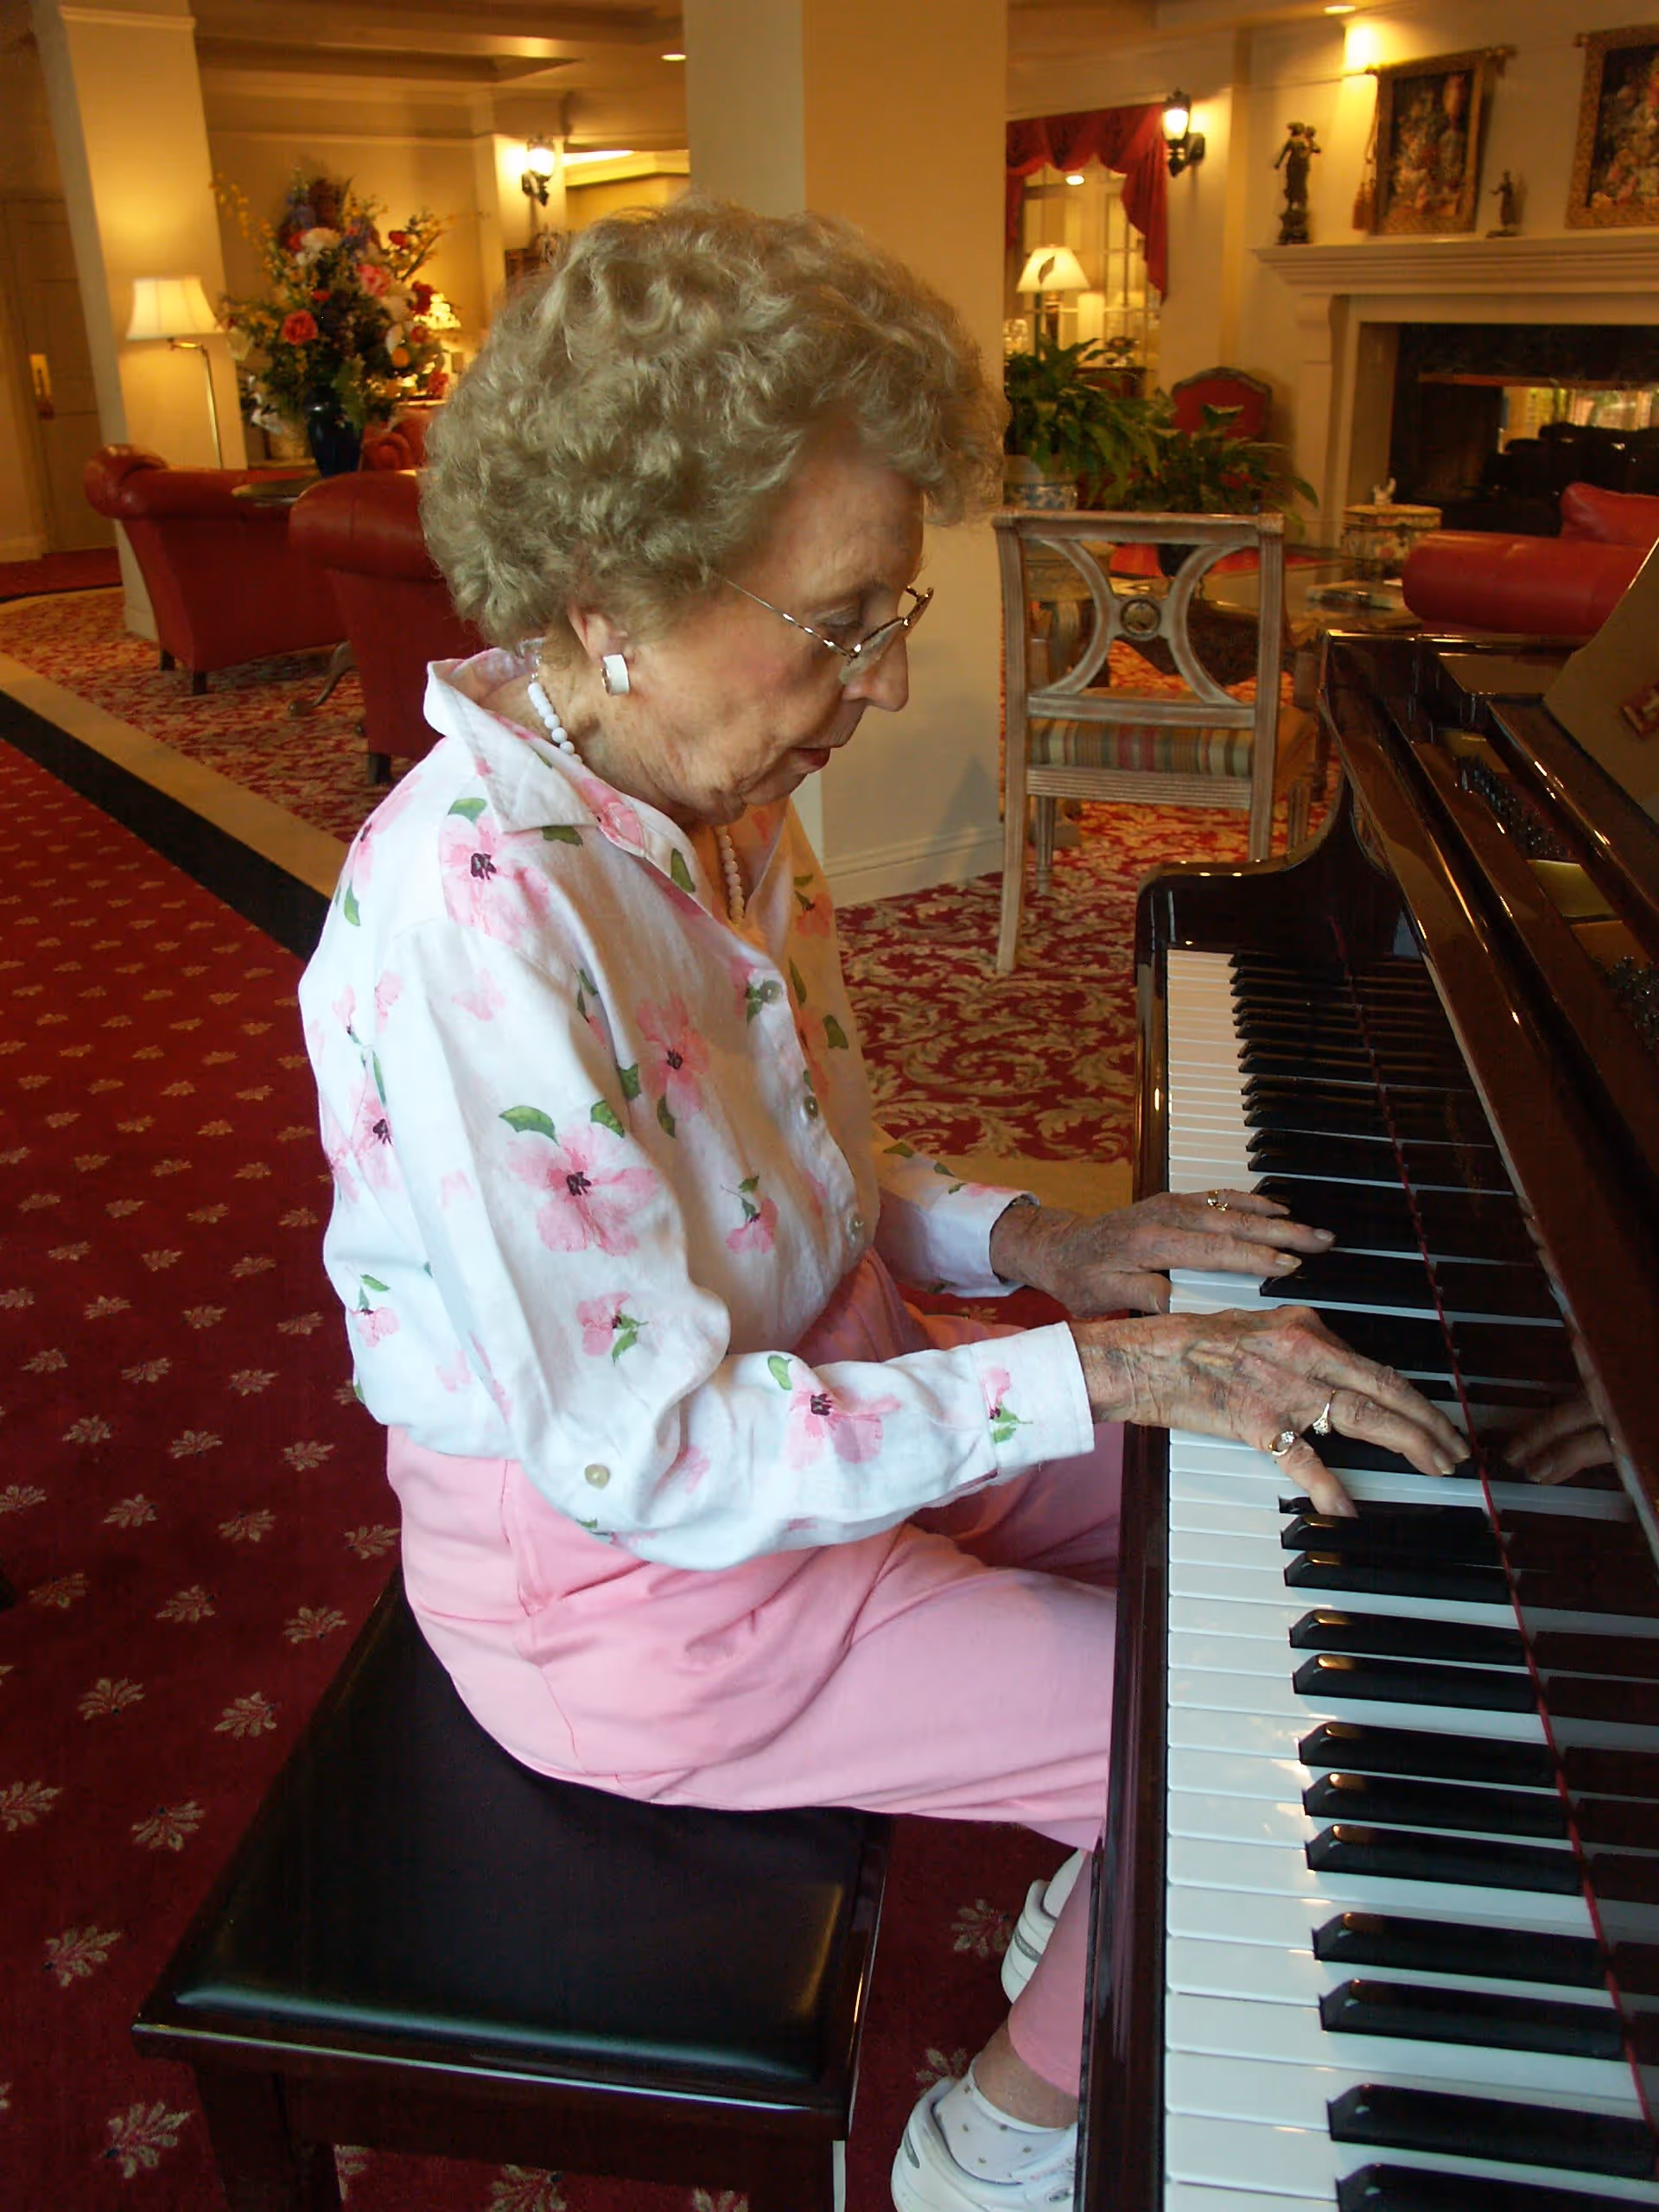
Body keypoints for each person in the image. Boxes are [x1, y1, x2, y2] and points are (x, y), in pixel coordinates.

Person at [298, 198, 1465, 2212]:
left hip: (839, 1415)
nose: (888, 677)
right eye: (844, 621)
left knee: (1267, 1506)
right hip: (648, 1593)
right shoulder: (471, 917)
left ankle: (1088, 1881)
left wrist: (1038, 1248)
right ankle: (996, 2132)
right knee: (1219, 1715)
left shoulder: (710, 792)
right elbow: (651, 1452)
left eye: (891, 608)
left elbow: (779, 1171)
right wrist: (1099, 1367)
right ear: (612, 592)